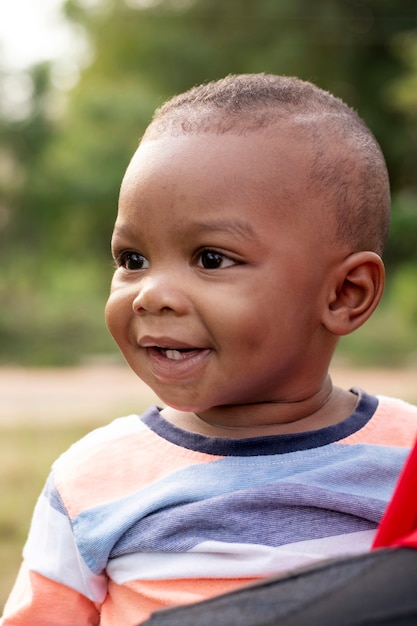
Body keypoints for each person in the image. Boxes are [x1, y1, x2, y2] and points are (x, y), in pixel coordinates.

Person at [2, 73, 417, 626]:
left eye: (211, 259)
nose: (151, 294)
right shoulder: (91, 480)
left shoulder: (405, 459)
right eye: (132, 260)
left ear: (345, 293)